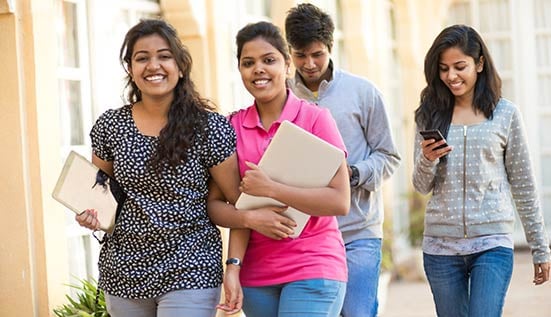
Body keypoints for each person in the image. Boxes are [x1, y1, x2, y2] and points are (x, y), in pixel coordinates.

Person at [75, 19, 241, 317]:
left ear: (181, 65)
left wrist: (234, 266)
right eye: (142, 58)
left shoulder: (209, 128)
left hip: (190, 268)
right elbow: (99, 195)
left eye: (164, 56)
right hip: (124, 271)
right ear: (130, 68)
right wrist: (90, 215)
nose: (154, 65)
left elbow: (236, 202)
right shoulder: (111, 126)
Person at [207, 21, 350, 317]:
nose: (258, 69)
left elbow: (340, 201)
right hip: (256, 276)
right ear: (240, 71)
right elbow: (216, 205)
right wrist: (235, 261)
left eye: (269, 60)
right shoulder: (230, 128)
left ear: (286, 65)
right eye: (249, 63)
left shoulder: (316, 120)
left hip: (313, 265)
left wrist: (271, 188)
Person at [413, 24, 551, 317]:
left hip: (492, 243)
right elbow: (421, 185)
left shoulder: (505, 114)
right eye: (444, 68)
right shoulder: (430, 114)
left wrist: (540, 247)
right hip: (440, 248)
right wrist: (427, 159)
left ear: (479, 63)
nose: (451, 76)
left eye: (459, 66)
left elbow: (524, 184)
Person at [285, 4, 401, 317]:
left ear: (331, 47)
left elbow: (389, 156)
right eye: (300, 55)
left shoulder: (363, 92)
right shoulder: (281, 98)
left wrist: (353, 173)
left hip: (357, 232)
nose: (309, 64)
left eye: (317, 54)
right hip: (305, 237)